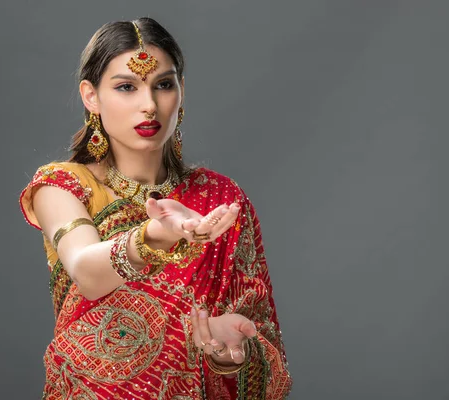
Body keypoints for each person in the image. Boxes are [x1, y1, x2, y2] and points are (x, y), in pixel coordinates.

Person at [19, 17, 292, 400]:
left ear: (181, 92)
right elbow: (86, 272)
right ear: (91, 96)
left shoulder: (220, 199)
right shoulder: (64, 185)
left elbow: (260, 340)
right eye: (126, 87)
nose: (149, 105)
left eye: (163, 85)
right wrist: (154, 235)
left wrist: (229, 355)